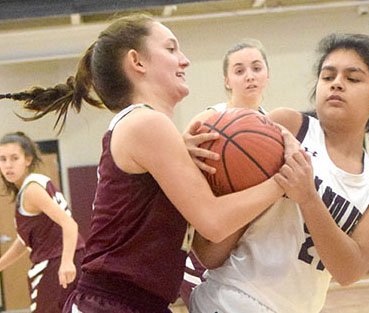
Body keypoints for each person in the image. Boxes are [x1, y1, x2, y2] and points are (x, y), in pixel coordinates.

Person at [0, 14, 299, 313]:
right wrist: (283, 178)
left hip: (138, 303)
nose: (185, 61)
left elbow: (208, 252)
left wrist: (250, 181)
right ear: (137, 62)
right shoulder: (145, 123)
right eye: (171, 49)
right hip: (110, 305)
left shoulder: (149, 129)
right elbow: (215, 221)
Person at [188, 33, 369, 313]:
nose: (336, 83)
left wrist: (308, 197)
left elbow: (349, 272)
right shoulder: (285, 127)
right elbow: (210, 253)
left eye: (353, 78)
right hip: (229, 298)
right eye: (328, 76)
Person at [180, 38, 271, 306]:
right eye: (239, 70)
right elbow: (176, 168)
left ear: (267, 74)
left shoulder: (274, 127)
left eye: (256, 68)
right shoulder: (210, 120)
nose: (249, 76)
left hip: (249, 247)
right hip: (206, 243)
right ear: (227, 80)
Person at [0, 132, 85, 313]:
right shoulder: (33, 185)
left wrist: (66, 262)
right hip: (64, 257)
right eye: (3, 159)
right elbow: (24, 241)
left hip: (57, 261)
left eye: (14, 158)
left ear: (28, 159)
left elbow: (69, 224)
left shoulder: (32, 190)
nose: (8, 165)